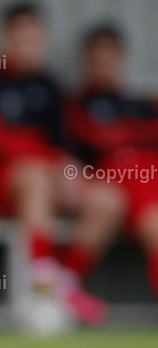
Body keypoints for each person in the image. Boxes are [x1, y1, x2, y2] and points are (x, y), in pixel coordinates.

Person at [0, 0, 125, 326]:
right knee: (36, 178)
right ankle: (43, 288)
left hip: (44, 181)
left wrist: (68, 167)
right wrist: (51, 163)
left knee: (108, 199)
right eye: (21, 38)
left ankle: (63, 283)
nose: (28, 46)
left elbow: (65, 146)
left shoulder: (51, 86)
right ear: (5, 39)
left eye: (35, 39)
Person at [66, 23, 158, 300]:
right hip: (110, 180)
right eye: (98, 59)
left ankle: (60, 286)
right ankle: (60, 288)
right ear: (87, 62)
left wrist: (121, 135)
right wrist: (127, 138)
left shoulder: (138, 104)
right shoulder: (76, 104)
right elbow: (94, 141)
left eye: (110, 57)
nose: (105, 64)